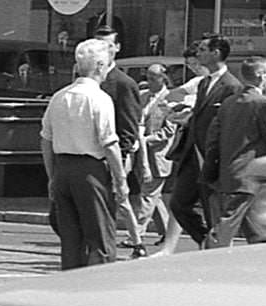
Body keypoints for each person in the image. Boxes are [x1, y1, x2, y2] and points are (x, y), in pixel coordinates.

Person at [39, 39, 125, 271]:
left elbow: (46, 140)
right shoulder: (99, 99)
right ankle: (99, 289)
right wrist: (121, 180)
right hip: (90, 171)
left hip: (63, 170)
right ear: (99, 65)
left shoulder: (59, 97)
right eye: (108, 63)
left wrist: (52, 176)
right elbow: (109, 144)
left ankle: (70, 287)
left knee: (71, 240)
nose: (109, 68)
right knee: (100, 238)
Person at [203, 55, 266, 247]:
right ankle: (208, 254)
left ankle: (260, 258)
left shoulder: (228, 103)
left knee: (257, 229)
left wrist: (210, 170)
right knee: (226, 226)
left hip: (229, 175)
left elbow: (213, 140)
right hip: (248, 177)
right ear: (260, 76)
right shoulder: (262, 103)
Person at [163, 35, 240, 250]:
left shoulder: (231, 86)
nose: (199, 53)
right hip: (192, 155)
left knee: (212, 209)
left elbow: (228, 125)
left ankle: (216, 249)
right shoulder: (204, 82)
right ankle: (206, 240)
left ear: (216, 53)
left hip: (211, 158)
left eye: (204, 49)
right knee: (179, 204)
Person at [93, 30, 146, 257]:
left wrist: (121, 157)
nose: (103, 51)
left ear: (117, 48)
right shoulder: (91, 79)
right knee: (113, 200)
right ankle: (131, 242)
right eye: (99, 46)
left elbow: (129, 123)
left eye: (107, 46)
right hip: (92, 152)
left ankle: (134, 243)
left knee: (118, 198)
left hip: (115, 153)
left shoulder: (124, 83)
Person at [132, 62, 176, 250]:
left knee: (147, 195)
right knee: (153, 196)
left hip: (157, 156)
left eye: (152, 78)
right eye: (147, 77)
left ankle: (136, 234)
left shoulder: (170, 99)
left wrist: (146, 139)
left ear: (163, 78)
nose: (148, 81)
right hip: (139, 154)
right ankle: (167, 231)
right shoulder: (142, 97)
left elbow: (169, 130)